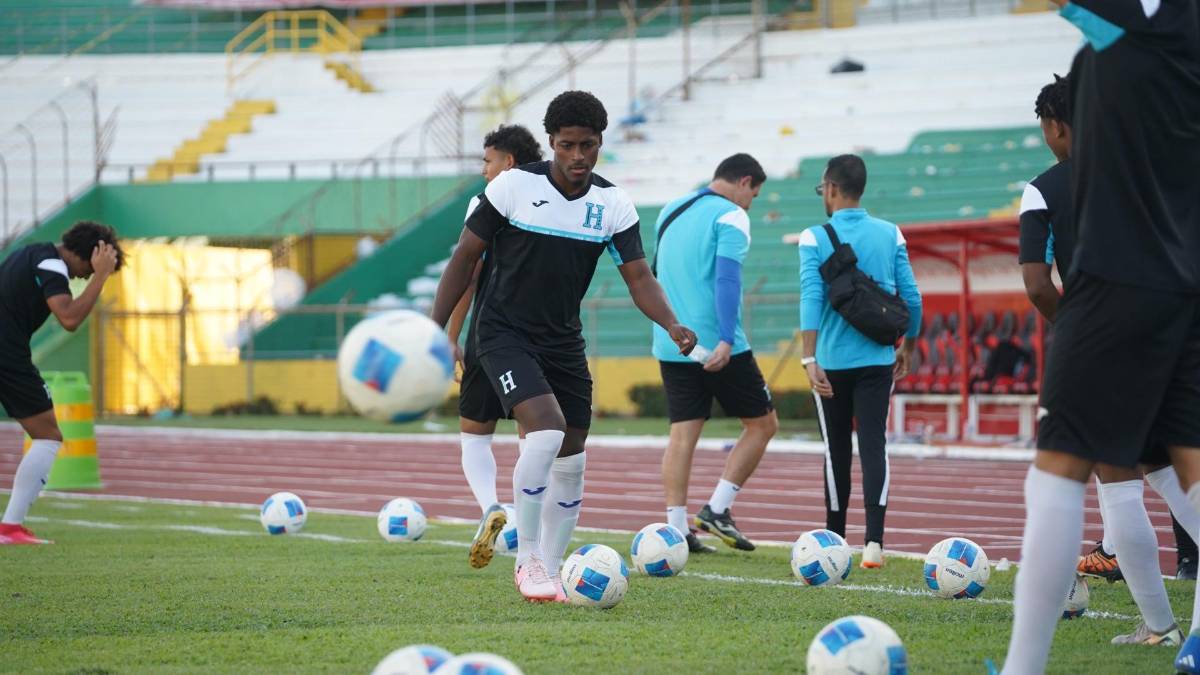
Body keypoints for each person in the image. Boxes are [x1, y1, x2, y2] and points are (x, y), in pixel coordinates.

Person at [430, 91, 697, 602]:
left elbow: (639, 277)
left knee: (573, 457)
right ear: (551, 143)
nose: (578, 156)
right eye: (568, 145)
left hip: (563, 341)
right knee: (546, 433)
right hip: (502, 334)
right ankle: (527, 558)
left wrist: (672, 323)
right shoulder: (511, 187)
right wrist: (434, 327)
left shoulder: (612, 203)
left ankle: (552, 568)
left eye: (589, 146)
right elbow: (464, 260)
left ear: (600, 145)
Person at [998, 1, 1200, 672]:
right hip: (1186, 284)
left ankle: (1025, 667)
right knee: (1185, 474)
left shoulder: (1127, 39)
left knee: (1057, 471)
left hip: (1118, 279)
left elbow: (1035, 282)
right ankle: (1180, 632)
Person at [798, 154, 922, 569]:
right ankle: (874, 542)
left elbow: (811, 299)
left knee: (835, 451)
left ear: (831, 189)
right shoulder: (891, 234)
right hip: (877, 358)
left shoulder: (814, 237)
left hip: (830, 362)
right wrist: (908, 346)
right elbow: (912, 297)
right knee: (874, 445)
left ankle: (834, 539)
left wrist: (808, 357)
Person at [653, 153, 778, 553]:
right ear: (744, 182)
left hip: (672, 340)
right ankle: (718, 509)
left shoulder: (670, 209)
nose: (750, 203)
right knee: (762, 425)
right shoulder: (731, 216)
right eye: (753, 195)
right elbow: (727, 278)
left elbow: (655, 272)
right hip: (717, 344)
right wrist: (725, 338)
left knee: (683, 432)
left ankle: (676, 531)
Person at [444, 124, 544, 570]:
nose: (483, 171)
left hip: (490, 334)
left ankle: (491, 507)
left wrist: (450, 336)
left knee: (474, 435)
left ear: (508, 163)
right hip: (544, 334)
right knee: (536, 434)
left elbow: (468, 270)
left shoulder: (489, 201)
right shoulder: (555, 200)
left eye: (487, 161)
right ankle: (526, 521)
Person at [0, 221, 123, 545]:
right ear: (92, 253)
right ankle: (10, 527)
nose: (82, 277)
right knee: (48, 435)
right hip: (5, 354)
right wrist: (100, 277)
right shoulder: (52, 263)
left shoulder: (29, 253)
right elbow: (68, 318)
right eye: (90, 268)